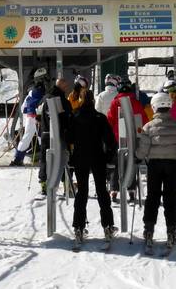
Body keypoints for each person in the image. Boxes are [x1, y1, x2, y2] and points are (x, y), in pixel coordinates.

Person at [137, 91, 176, 251]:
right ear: (169, 106)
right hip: (172, 165)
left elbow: (143, 150)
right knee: (170, 196)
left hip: (154, 165)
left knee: (152, 196)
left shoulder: (148, 126)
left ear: (154, 107)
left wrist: (137, 157)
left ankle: (149, 229)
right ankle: (171, 230)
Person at [66, 89, 118, 245]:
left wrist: (71, 155)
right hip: (97, 156)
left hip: (80, 157)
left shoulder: (74, 117)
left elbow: (68, 137)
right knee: (102, 191)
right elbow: (110, 141)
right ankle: (108, 226)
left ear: (80, 100)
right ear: (93, 101)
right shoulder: (99, 118)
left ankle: (78, 227)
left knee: (82, 192)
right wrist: (108, 156)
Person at [106, 75, 150, 202]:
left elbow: (109, 120)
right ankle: (131, 189)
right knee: (131, 162)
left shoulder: (114, 103)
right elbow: (144, 119)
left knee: (117, 163)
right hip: (133, 138)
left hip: (117, 138)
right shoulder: (136, 102)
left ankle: (114, 189)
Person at [38, 75, 72, 195]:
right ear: (61, 86)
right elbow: (66, 118)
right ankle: (66, 184)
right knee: (62, 159)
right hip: (59, 135)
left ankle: (44, 183)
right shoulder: (61, 100)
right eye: (65, 86)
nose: (67, 88)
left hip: (45, 133)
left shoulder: (45, 98)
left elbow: (38, 114)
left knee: (44, 159)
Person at [10, 67, 47, 166]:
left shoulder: (31, 92)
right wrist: (37, 116)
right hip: (37, 117)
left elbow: (23, 108)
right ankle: (44, 160)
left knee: (28, 137)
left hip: (30, 117)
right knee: (41, 137)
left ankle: (17, 159)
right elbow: (39, 106)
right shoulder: (40, 91)